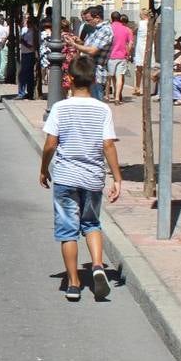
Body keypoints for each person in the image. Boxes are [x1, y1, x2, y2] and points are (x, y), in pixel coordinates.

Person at [39, 54, 122, 302]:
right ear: (94, 79)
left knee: (68, 230)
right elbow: (108, 145)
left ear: (70, 79)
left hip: (66, 177)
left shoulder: (60, 108)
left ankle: (73, 283)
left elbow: (50, 143)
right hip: (93, 177)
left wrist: (43, 168)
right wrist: (117, 178)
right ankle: (97, 265)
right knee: (92, 223)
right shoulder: (103, 109)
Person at [66, 6, 113, 101]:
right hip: (88, 71)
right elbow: (89, 46)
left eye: (88, 20)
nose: (87, 22)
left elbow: (92, 50)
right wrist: (79, 42)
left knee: (95, 102)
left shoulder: (105, 30)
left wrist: (74, 45)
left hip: (96, 73)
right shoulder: (96, 29)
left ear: (97, 18)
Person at [107, 11, 134, 103]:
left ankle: (111, 94)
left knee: (111, 77)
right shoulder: (127, 29)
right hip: (122, 56)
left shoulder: (108, 28)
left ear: (112, 18)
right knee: (119, 77)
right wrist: (127, 53)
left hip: (110, 56)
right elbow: (130, 43)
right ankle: (117, 97)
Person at [17, 17, 39, 100]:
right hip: (23, 53)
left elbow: (33, 46)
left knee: (28, 74)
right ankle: (22, 92)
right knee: (23, 74)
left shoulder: (34, 32)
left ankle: (29, 93)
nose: (28, 23)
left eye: (30, 22)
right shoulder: (24, 30)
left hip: (30, 54)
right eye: (27, 22)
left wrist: (23, 42)